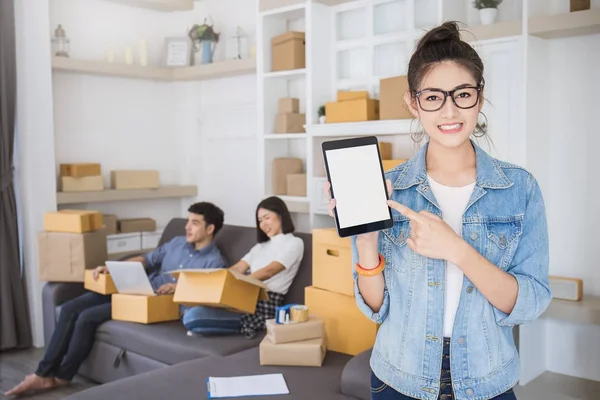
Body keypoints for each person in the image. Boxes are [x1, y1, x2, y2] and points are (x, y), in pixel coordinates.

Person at [326, 22, 551, 400]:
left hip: (487, 380)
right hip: (399, 378)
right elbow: (377, 309)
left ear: (479, 97)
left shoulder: (519, 188)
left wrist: (456, 249)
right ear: (414, 102)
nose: (449, 110)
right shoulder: (390, 189)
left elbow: (530, 302)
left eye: (462, 94)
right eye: (433, 97)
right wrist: (367, 243)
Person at [5, 202, 227, 397]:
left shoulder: (215, 262)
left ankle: (62, 376)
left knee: (87, 317)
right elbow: (148, 259)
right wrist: (114, 268)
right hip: (136, 285)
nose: (187, 227)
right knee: (70, 307)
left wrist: (178, 287)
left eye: (195, 223)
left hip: (153, 303)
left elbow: (208, 294)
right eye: (188, 221)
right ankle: (43, 372)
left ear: (210, 228)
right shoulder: (177, 242)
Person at [182, 196, 304, 339]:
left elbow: (269, 271)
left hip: (263, 305)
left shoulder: (294, 243)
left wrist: (239, 283)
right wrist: (213, 280)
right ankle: (204, 326)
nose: (263, 224)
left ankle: (221, 326)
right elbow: (238, 268)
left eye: (267, 218)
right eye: (260, 221)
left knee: (193, 316)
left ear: (281, 215)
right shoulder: (260, 247)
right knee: (190, 311)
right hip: (244, 298)